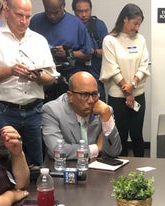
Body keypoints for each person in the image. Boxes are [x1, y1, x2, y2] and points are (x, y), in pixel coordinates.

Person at [0, 0, 58, 168]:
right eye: (19, 15)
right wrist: (10, 71)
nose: (24, 21)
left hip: (34, 109)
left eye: (28, 16)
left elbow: (52, 77)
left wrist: (37, 77)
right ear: (7, 11)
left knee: (36, 162)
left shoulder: (39, 40)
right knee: (3, 161)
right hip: (4, 110)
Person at [101, 4, 149, 157]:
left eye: (139, 24)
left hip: (138, 93)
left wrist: (133, 84)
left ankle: (141, 169)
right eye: (135, 23)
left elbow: (144, 64)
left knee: (136, 134)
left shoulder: (140, 39)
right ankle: (121, 170)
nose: (137, 27)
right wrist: (126, 89)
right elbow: (112, 68)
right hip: (117, 96)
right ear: (125, 19)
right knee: (120, 134)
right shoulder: (110, 40)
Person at [42, 71, 122, 159]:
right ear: (70, 96)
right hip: (64, 169)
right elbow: (57, 151)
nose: (91, 100)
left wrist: (107, 115)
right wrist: (96, 148)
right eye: (85, 95)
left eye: (94, 94)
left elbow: (114, 152)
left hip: (95, 169)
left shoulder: (103, 110)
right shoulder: (52, 110)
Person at [29, 0, 94, 97]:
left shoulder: (76, 24)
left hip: (68, 81)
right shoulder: (36, 21)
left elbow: (88, 53)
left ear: (63, 6)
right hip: (42, 80)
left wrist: (68, 53)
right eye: (48, 11)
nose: (52, 16)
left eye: (55, 12)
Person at [72, 0, 109, 99]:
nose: (83, 14)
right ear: (74, 11)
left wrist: (94, 52)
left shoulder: (99, 25)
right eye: (80, 11)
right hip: (75, 78)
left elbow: (108, 51)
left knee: (99, 110)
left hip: (96, 77)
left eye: (86, 11)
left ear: (91, 10)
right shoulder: (70, 26)